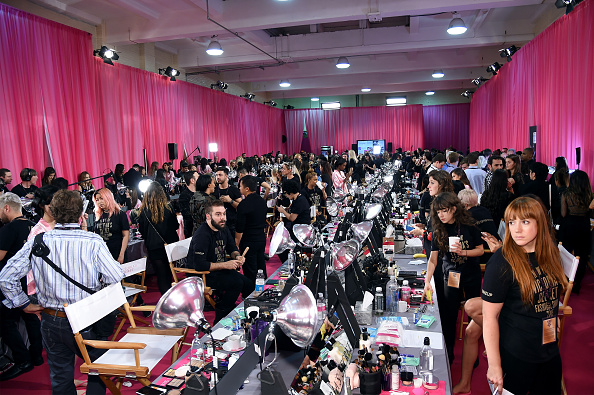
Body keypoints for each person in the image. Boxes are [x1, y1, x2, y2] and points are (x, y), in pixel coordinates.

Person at [0, 189, 125, 394]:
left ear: (54, 213)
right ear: (80, 214)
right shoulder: (92, 241)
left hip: (51, 319)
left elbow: (6, 277)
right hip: (86, 316)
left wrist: (23, 303)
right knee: (98, 369)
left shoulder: (38, 241)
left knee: (60, 376)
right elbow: (115, 276)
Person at [483, 197, 567, 395]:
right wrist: (494, 365)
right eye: (511, 222)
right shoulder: (501, 262)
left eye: (525, 222)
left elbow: (551, 292)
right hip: (516, 355)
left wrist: (552, 315)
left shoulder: (551, 253)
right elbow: (489, 318)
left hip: (549, 351)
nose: (516, 229)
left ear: (540, 222)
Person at [422, 192, 484, 364]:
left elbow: (480, 250)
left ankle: (473, 355)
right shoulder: (438, 229)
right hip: (452, 274)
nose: (441, 215)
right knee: (449, 314)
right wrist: (427, 281)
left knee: (474, 315)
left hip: (471, 273)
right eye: (438, 212)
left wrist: (462, 252)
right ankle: (448, 352)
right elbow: (433, 259)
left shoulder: (469, 225)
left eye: (444, 211)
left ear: (454, 209)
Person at [186, 200, 253, 322]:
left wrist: (238, 256)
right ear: (208, 216)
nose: (222, 218)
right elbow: (199, 265)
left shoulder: (223, 229)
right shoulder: (202, 235)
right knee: (236, 283)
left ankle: (244, 314)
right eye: (218, 214)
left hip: (218, 271)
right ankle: (221, 315)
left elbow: (232, 248)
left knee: (249, 284)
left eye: (224, 214)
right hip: (202, 275)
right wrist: (226, 265)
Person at [0, 193, 42, 382]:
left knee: (5, 322)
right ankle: (36, 356)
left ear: (7, 208)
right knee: (30, 318)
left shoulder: (9, 228)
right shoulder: (32, 226)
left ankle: (23, 359)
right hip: (30, 280)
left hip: (12, 282)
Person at [137, 182, 179, 294]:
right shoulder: (168, 208)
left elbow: (142, 231)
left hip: (154, 246)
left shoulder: (143, 211)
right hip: (169, 245)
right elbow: (176, 226)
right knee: (169, 273)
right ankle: (171, 296)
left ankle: (165, 299)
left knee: (161, 275)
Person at [559, 170, 593, 294]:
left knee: (565, 254)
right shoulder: (590, 195)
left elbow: (563, 213)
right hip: (584, 225)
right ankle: (577, 284)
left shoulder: (566, 194)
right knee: (582, 255)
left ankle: (565, 281)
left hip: (569, 225)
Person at [235, 175, 268, 283]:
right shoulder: (262, 202)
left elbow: (239, 229)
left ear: (247, 188)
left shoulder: (244, 205)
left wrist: (236, 245)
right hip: (261, 239)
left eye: (240, 186)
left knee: (250, 270)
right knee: (261, 266)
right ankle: (263, 290)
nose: (239, 188)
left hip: (249, 242)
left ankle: (251, 294)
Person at [93, 188, 130, 263]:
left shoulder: (120, 214)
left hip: (116, 253)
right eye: (97, 200)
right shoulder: (98, 216)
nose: (99, 202)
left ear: (108, 197)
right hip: (102, 255)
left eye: (101, 198)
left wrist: (121, 254)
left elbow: (126, 236)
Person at [213, 167, 242, 236]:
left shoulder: (233, 190)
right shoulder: (214, 190)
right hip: (217, 224)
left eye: (220, 175)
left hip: (231, 224)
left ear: (226, 176)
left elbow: (241, 207)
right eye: (216, 175)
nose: (218, 177)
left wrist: (231, 201)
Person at [179, 170, 198, 239]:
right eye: (198, 177)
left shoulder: (201, 193)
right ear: (192, 180)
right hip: (191, 231)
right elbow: (187, 215)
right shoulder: (184, 196)